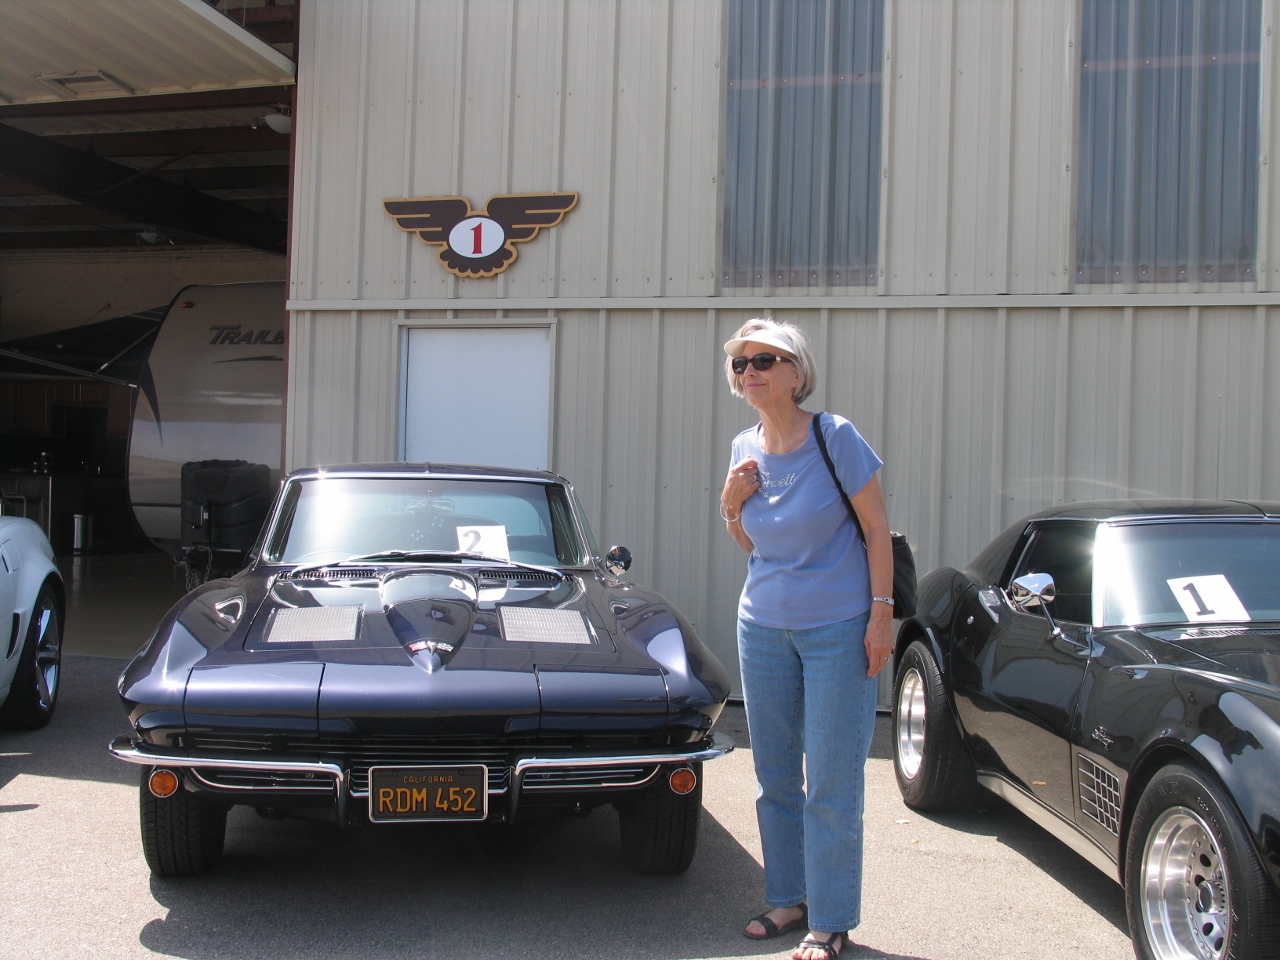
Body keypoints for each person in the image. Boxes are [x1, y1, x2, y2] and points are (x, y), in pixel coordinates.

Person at [720, 318, 894, 960]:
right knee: (773, 776)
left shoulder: (835, 436)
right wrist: (731, 503)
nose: (751, 372)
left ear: (797, 371)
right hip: (761, 626)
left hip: (838, 627)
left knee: (831, 779)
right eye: (741, 364)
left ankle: (831, 920)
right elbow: (750, 543)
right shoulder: (743, 446)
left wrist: (881, 616)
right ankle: (788, 898)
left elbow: (877, 529)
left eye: (765, 359)